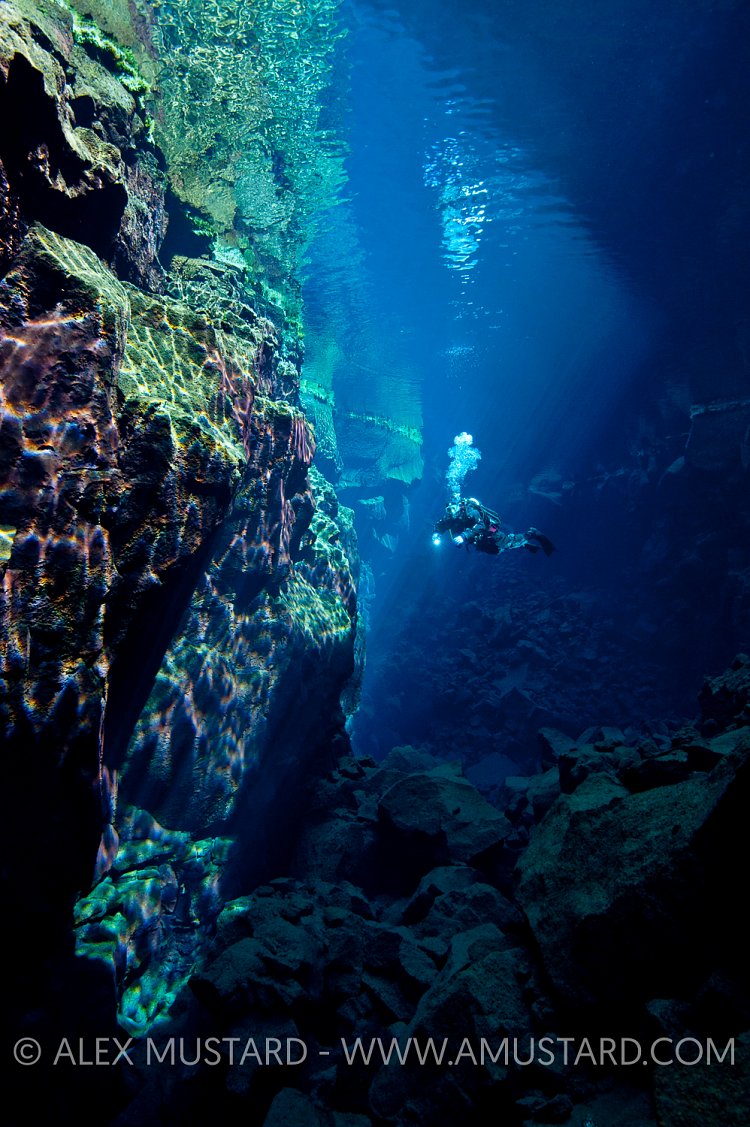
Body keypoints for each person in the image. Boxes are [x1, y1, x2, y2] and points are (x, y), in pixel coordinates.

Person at [433, 497, 555, 556]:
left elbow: (481, 525)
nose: (451, 512)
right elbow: (440, 525)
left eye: (453, 508)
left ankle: (532, 533)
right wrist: (436, 533)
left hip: (489, 534)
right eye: (448, 510)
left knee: (505, 544)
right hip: (480, 541)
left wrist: (464, 536)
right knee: (495, 551)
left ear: (458, 506)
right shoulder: (450, 518)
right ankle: (525, 545)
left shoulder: (471, 513)